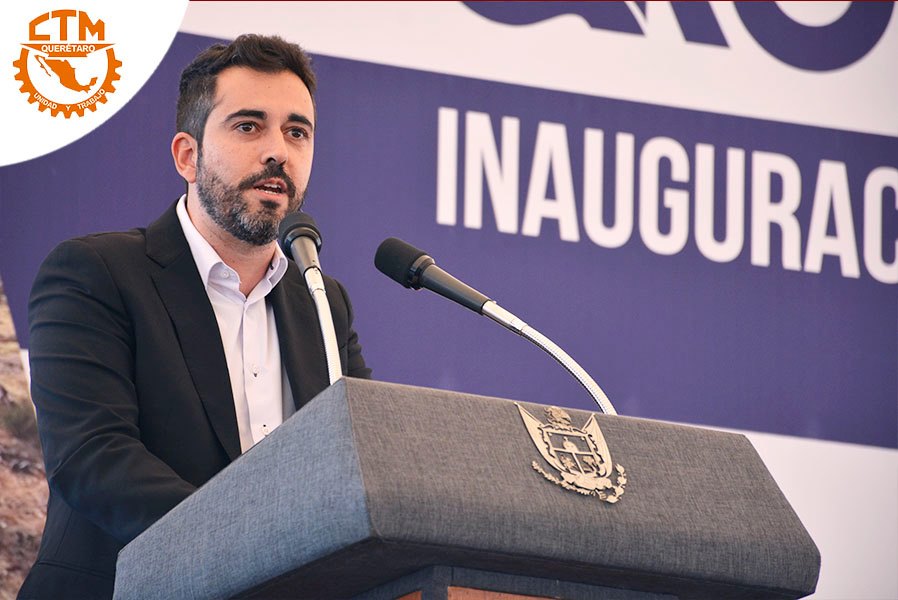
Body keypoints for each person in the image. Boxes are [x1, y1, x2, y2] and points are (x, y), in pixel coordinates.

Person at [18, 34, 371, 599]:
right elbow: (94, 458)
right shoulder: (96, 273)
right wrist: (264, 544)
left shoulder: (321, 303)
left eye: (297, 132)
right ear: (188, 155)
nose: (278, 151)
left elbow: (365, 468)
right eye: (248, 126)